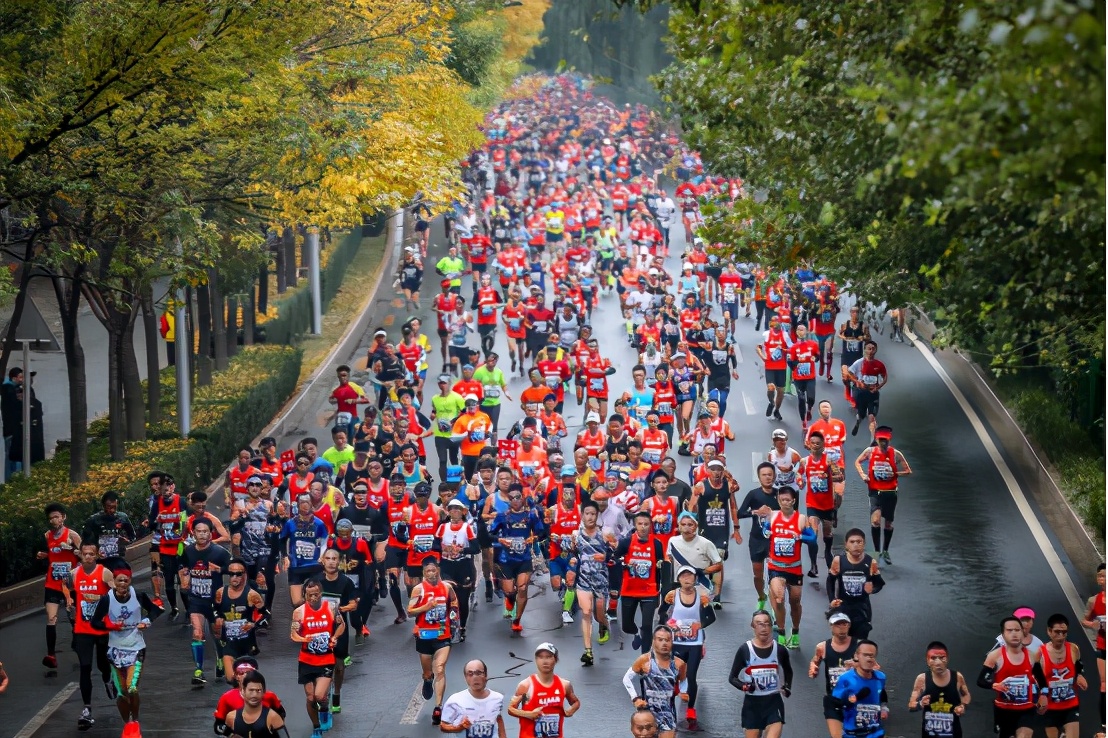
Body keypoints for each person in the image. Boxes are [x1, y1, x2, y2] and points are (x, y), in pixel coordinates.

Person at [90, 562, 151, 738]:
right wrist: (110, 626)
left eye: (126, 580)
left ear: (130, 581)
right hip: (115, 650)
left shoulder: (138, 595)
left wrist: (146, 622)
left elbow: (155, 610)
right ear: (114, 581)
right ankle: (128, 724)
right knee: (121, 694)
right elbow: (95, 622)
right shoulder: (107, 599)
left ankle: (135, 722)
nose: (123, 584)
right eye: (119, 580)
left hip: (136, 648)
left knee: (132, 689)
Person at [179, 517, 232, 685]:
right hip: (196, 600)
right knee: (197, 633)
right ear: (193, 533)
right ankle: (199, 670)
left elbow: (236, 568)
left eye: (205, 532)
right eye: (198, 531)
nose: (202, 535)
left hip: (215, 601)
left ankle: (220, 660)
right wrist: (184, 577)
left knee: (217, 634)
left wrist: (220, 569)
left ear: (211, 534)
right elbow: (182, 567)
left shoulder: (220, 552)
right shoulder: (188, 551)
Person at [977, 616, 1049, 738]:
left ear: (1022, 633)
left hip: (1026, 709)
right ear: (1003, 635)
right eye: (1010, 630)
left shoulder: (1031, 656)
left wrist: (1044, 695)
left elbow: (1041, 679)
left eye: (1017, 630)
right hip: (1004, 710)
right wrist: (994, 685)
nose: (1014, 634)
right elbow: (981, 680)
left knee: (1025, 735)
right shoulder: (995, 656)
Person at [70, 541, 116, 730]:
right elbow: (68, 589)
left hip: (101, 629)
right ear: (80, 555)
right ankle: (87, 709)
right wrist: (70, 602)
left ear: (96, 555)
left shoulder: (104, 573)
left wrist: (101, 599)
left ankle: (107, 679)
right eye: (85, 554)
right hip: (82, 629)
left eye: (91, 554)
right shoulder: (74, 574)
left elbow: (116, 595)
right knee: (85, 667)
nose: (88, 557)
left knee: (103, 664)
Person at [764, 486, 816, 649]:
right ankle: (781, 632)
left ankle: (795, 632)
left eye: (788, 500)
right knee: (779, 599)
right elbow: (765, 529)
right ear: (778, 500)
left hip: (794, 568)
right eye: (782, 500)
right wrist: (766, 531)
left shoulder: (801, 519)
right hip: (776, 566)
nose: (785, 503)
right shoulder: (773, 516)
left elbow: (813, 538)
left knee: (795, 602)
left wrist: (799, 536)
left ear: (793, 501)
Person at [489, 483, 545, 633]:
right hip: (506, 559)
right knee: (509, 591)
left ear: (523, 497)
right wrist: (501, 540)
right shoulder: (502, 516)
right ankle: (509, 599)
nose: (515, 500)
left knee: (522, 588)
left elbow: (541, 532)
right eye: (511, 498)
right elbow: (490, 534)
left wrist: (532, 538)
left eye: (517, 497)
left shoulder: (531, 515)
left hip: (524, 559)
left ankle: (517, 620)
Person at [409, 557, 458, 726]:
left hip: (443, 634)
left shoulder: (447, 587)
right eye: (427, 571)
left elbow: (454, 600)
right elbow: (410, 611)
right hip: (424, 636)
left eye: (433, 570)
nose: (431, 573)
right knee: (428, 672)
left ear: (438, 570)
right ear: (423, 573)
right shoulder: (418, 589)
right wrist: (426, 607)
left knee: (440, 668)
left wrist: (453, 616)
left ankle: (438, 707)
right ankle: (427, 679)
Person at [291, 579, 343, 738]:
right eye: (309, 595)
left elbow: (341, 625)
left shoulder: (331, 607)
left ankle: (325, 708)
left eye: (316, 594)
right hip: (306, 660)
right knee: (310, 698)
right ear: (304, 595)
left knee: (320, 696)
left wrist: (334, 637)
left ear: (321, 593)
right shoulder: (299, 612)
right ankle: (316, 727)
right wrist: (303, 639)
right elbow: (293, 634)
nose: (313, 598)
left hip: (326, 659)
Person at [729, 609, 793, 738]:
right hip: (752, 705)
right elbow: (732, 678)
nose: (763, 628)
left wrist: (787, 686)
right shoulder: (745, 650)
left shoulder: (780, 650)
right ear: (753, 626)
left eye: (767, 623)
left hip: (774, 702)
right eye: (759, 624)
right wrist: (745, 686)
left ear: (771, 626)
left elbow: (788, 670)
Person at [853, 425, 911, 564]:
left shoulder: (895, 454)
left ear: (889, 440)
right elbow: (857, 462)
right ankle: (876, 552)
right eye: (880, 440)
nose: (883, 443)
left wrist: (895, 473)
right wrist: (863, 475)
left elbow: (908, 471)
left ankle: (885, 551)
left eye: (885, 440)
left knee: (888, 523)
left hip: (890, 493)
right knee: (875, 521)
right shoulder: (870, 452)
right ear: (877, 439)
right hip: (875, 492)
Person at [663, 565, 711, 731]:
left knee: (691, 676)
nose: (686, 579)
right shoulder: (672, 596)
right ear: (679, 579)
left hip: (694, 643)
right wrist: (670, 624)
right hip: (677, 642)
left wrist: (700, 625)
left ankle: (691, 709)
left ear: (695, 578)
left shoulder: (702, 597)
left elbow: (711, 617)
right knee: (674, 675)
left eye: (689, 576)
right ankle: (670, 707)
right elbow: (662, 614)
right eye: (683, 576)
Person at [687, 458, 740, 604]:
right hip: (705, 530)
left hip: (721, 531)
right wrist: (690, 527)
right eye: (713, 469)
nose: (716, 472)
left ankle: (716, 597)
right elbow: (691, 508)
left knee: (718, 561)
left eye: (719, 470)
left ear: (723, 471)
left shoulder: (728, 486)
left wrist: (736, 528)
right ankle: (703, 591)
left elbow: (733, 507)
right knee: (704, 562)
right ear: (708, 471)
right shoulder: (701, 486)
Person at [624, 625, 687, 738]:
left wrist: (683, 691)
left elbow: (683, 681)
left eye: (667, 640)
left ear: (672, 642)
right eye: (660, 639)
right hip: (648, 714)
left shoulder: (679, 664)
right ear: (653, 641)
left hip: (668, 715)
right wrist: (635, 698)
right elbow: (627, 678)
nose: (664, 643)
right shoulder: (644, 660)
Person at [38, 502, 81, 669]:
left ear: (63, 517)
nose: (53, 521)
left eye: (56, 517)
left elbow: (86, 555)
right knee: (51, 618)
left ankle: (78, 643)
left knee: (73, 617)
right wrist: (42, 554)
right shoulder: (47, 535)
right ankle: (51, 655)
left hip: (70, 584)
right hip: (52, 582)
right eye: (51, 518)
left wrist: (72, 549)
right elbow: (49, 552)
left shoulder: (73, 535)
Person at [616, 511, 665, 653]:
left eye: (646, 524)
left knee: (647, 626)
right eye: (640, 524)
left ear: (650, 526)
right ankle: (636, 633)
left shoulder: (656, 544)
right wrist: (625, 565)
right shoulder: (626, 542)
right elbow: (614, 560)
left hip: (649, 591)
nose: (643, 527)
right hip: (629, 590)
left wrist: (661, 590)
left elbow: (660, 568)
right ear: (635, 525)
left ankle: (646, 657)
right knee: (626, 626)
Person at [508, 642, 580, 738]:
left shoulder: (564, 685)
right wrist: (529, 714)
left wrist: (569, 712)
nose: (544, 661)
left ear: (556, 659)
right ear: (536, 660)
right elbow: (511, 709)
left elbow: (576, 702)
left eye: (548, 657)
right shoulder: (526, 685)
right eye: (540, 657)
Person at [213, 557, 266, 686]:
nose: (234, 577)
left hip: (247, 643)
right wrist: (217, 618)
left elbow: (264, 615)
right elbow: (214, 609)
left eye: (238, 574)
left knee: (247, 680)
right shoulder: (221, 593)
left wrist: (253, 624)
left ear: (245, 575)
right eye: (231, 574)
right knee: (231, 678)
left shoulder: (252, 595)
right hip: (229, 642)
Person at [319, 548, 359, 715]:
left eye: (334, 559)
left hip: (339, 629)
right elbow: (307, 602)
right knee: (320, 665)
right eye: (328, 558)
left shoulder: (346, 582)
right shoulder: (316, 581)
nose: (331, 562)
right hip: (319, 628)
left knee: (339, 666)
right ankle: (322, 696)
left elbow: (353, 604)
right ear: (323, 561)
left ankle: (336, 693)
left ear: (339, 561)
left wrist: (338, 609)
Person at [809, 610, 860, 738]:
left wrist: (858, 665)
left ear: (849, 625)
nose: (841, 628)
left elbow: (875, 668)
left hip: (856, 698)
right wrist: (813, 668)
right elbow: (815, 661)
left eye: (844, 624)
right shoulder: (822, 647)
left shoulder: (859, 646)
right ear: (831, 626)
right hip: (833, 699)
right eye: (838, 624)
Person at [736, 462, 780, 612]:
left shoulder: (780, 494)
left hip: (775, 540)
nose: (767, 478)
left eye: (770, 475)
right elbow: (740, 513)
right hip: (757, 539)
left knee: (775, 576)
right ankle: (761, 596)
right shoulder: (753, 494)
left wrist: (773, 514)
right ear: (759, 477)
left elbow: (790, 514)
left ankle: (775, 605)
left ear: (774, 476)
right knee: (757, 574)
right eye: (764, 475)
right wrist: (756, 512)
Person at [435, 497, 480, 642]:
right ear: (448, 512)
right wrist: (444, 548)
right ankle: (446, 626)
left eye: (457, 509)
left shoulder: (467, 528)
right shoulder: (443, 527)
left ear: (462, 512)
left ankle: (462, 627)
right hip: (447, 566)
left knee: (462, 599)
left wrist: (461, 550)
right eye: (452, 509)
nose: (454, 511)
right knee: (447, 596)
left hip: (464, 566)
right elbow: (434, 545)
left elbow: (476, 548)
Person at [827, 528, 884, 640]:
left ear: (864, 544)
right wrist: (832, 599)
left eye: (859, 542)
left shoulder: (870, 562)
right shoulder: (839, 561)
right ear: (846, 545)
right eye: (852, 542)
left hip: (862, 610)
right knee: (842, 641)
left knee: (860, 643)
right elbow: (830, 581)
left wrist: (872, 589)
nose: (856, 545)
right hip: (843, 608)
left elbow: (879, 583)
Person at [908, 640, 970, 738]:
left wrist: (963, 706)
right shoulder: (922, 679)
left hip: (953, 733)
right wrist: (920, 704)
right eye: (933, 658)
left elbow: (966, 695)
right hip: (930, 734)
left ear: (947, 659)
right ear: (927, 661)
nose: (938, 663)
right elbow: (911, 704)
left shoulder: (957, 677)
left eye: (942, 658)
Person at [1040, 613, 1086, 738]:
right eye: (1057, 632)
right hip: (1050, 707)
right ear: (1049, 631)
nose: (1061, 636)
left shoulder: (1073, 648)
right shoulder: (1040, 653)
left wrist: (1079, 675)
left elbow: (1079, 664)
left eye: (1064, 632)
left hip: (1070, 704)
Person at [832, 639, 889, 738]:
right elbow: (835, 704)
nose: (869, 659)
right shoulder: (845, 679)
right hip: (853, 734)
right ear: (856, 656)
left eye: (872, 656)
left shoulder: (880, 677)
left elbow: (882, 695)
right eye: (865, 655)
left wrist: (884, 709)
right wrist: (851, 700)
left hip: (876, 733)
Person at [213, 656, 286, 733]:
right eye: (241, 672)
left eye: (248, 672)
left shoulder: (269, 696)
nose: (245, 675)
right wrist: (231, 734)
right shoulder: (227, 698)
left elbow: (281, 714)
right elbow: (218, 725)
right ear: (236, 676)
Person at [440, 659, 507, 737]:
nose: (475, 677)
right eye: (470, 674)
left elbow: (499, 722)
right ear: (465, 677)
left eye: (479, 673)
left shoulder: (498, 698)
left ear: (486, 675)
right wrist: (459, 727)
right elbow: (443, 726)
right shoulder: (455, 700)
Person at [1081, 563, 1106, 735]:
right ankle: (1104, 724)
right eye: (1099, 575)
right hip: (1103, 646)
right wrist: (1093, 624)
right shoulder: (1093, 600)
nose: (1101, 578)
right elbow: (1085, 620)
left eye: (1104, 575)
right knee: (1104, 685)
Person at [81, 491, 137, 568]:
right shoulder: (93, 520)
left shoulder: (122, 517)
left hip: (118, 557)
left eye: (114, 507)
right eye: (109, 507)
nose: (112, 510)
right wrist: (94, 551)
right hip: (101, 559)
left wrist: (126, 541)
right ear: (103, 506)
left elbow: (132, 535)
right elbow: (85, 541)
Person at [224, 671, 287, 738]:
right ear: (243, 691)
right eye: (251, 690)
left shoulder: (273, 718)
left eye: (258, 690)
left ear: (264, 692)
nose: (254, 695)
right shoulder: (231, 717)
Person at [844, 340, 886, 438]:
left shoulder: (879, 364)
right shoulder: (859, 363)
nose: (871, 351)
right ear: (864, 350)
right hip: (861, 392)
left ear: (876, 350)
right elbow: (849, 373)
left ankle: (873, 439)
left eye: (873, 349)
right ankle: (858, 421)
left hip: (873, 393)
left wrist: (878, 387)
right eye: (869, 349)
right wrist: (857, 382)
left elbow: (885, 377)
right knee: (861, 414)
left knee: (872, 416)